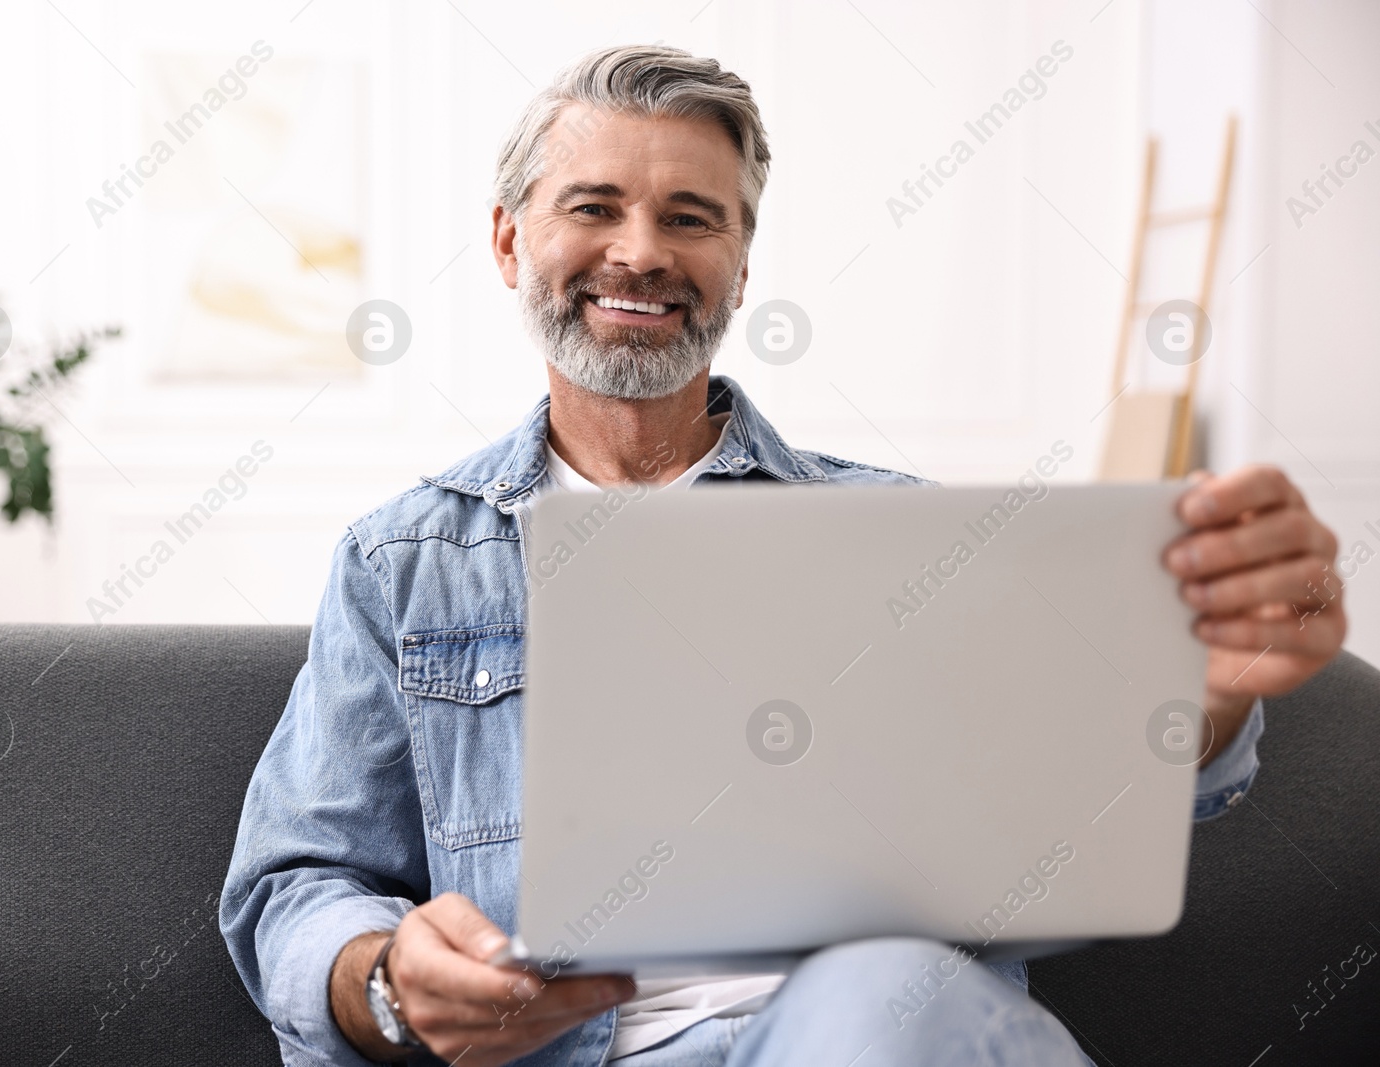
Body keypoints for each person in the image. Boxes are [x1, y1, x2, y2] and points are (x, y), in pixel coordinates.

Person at [220, 44, 1347, 1067]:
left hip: (871, 1036)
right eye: (595, 206)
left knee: (885, 989)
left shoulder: (910, 540)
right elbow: (294, 883)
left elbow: (1070, 808)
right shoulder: (401, 562)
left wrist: (1190, 701)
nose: (641, 252)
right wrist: (386, 981)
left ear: (742, 262)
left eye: (692, 217)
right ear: (512, 238)